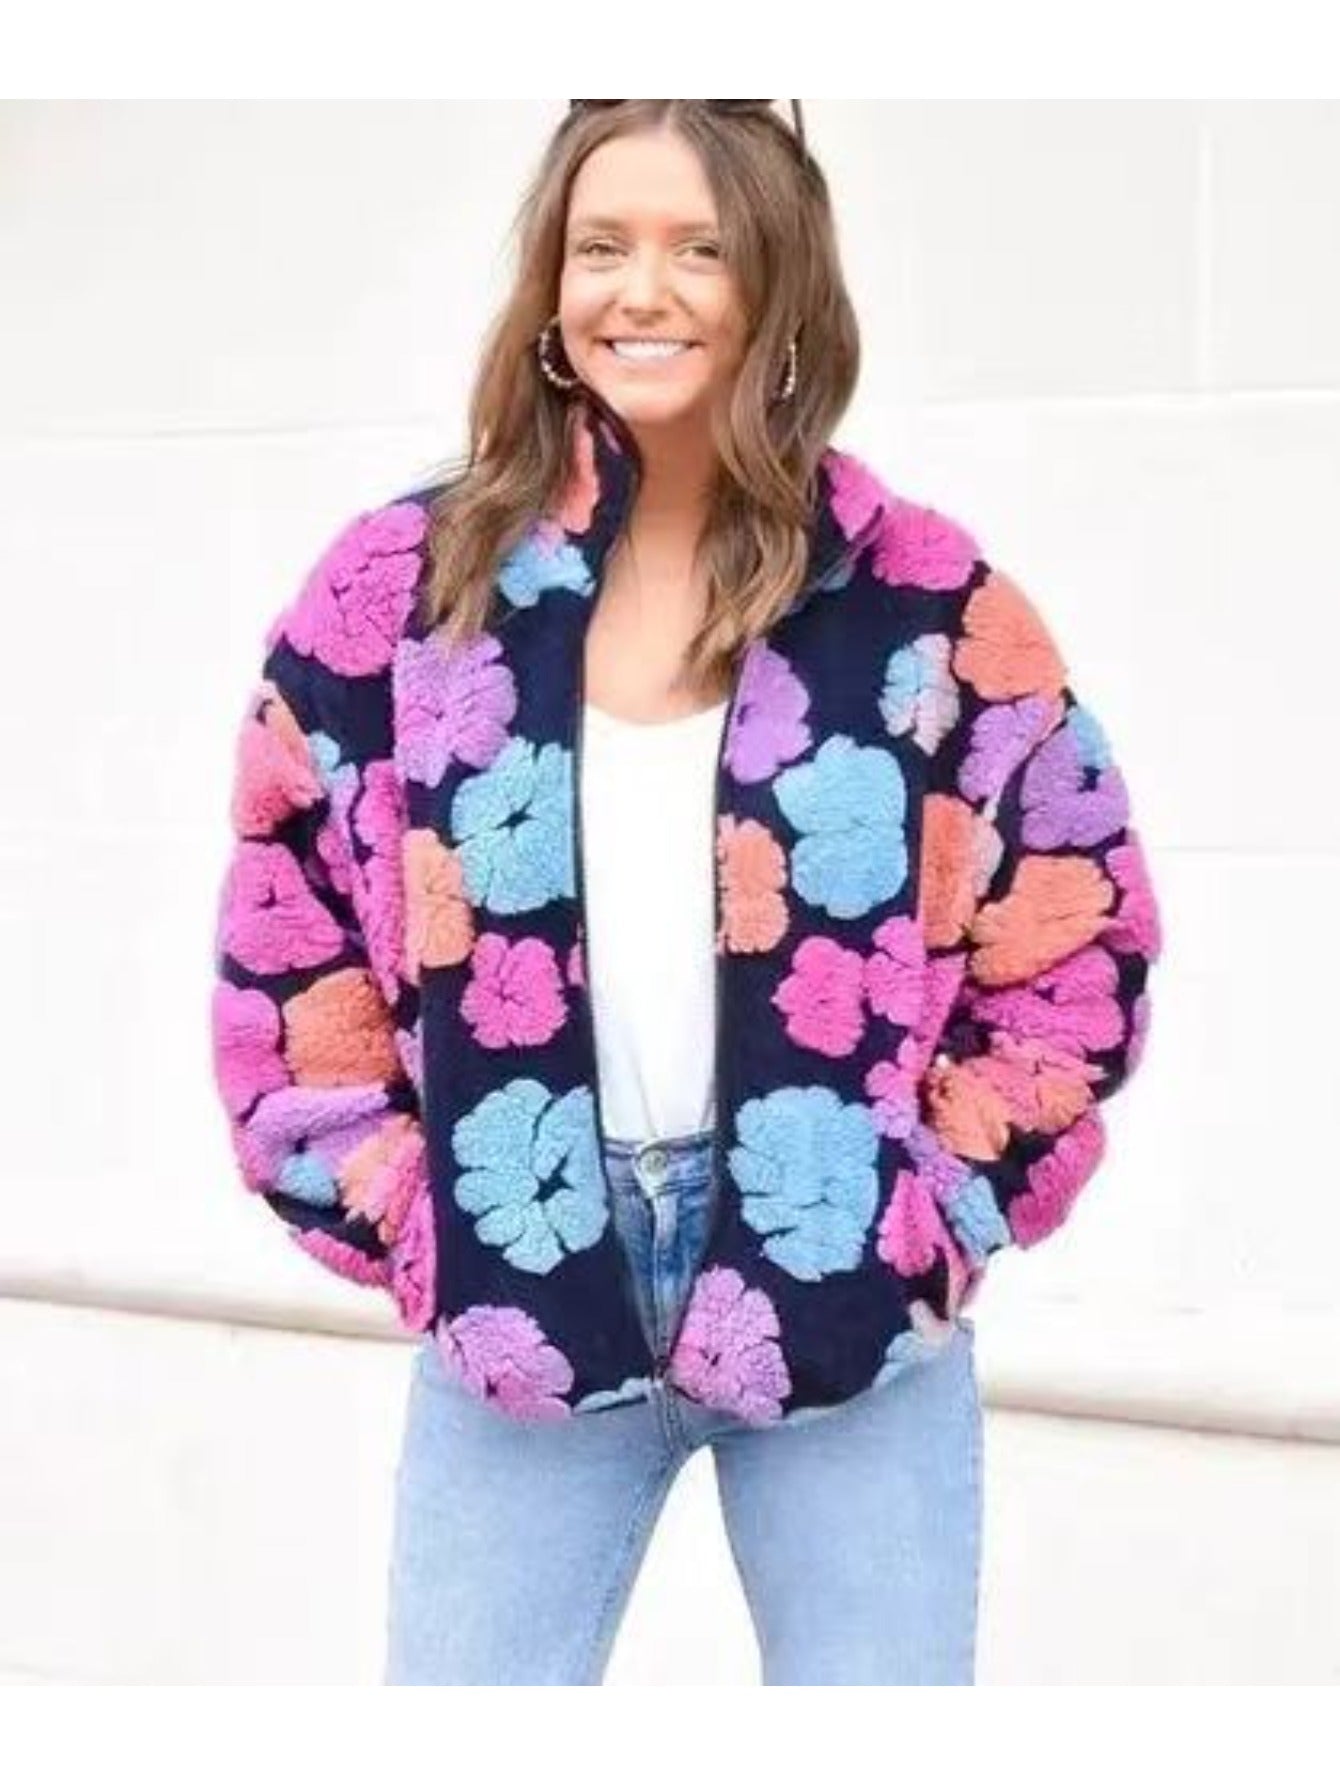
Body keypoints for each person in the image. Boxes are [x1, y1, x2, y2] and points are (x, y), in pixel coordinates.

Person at [209, 100, 1162, 1686]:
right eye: (602, 245)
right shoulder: (402, 594)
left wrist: (928, 1208)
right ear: (551, 284)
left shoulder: (925, 602)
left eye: (697, 247)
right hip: (520, 1297)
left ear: (777, 283)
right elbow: (285, 931)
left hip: (847, 1300)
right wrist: (420, 1215)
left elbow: (1079, 929)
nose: (639, 288)